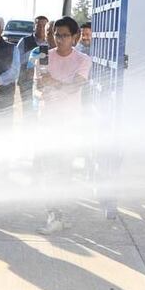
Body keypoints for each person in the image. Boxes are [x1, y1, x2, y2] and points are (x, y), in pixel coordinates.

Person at [34, 16, 90, 234]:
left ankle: (59, 214)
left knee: (65, 171)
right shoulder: (44, 57)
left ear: (75, 37)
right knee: (49, 169)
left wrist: (54, 84)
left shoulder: (83, 60)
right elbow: (38, 87)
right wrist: (43, 90)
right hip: (47, 121)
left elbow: (75, 86)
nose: (60, 39)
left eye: (65, 35)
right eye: (57, 34)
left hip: (70, 123)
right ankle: (53, 215)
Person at [16, 16, 50, 116]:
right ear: (34, 27)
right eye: (38, 25)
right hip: (27, 81)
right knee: (28, 110)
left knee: (44, 110)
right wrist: (35, 53)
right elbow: (17, 60)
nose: (41, 28)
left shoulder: (51, 42)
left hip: (45, 82)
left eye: (44, 26)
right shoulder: (24, 41)